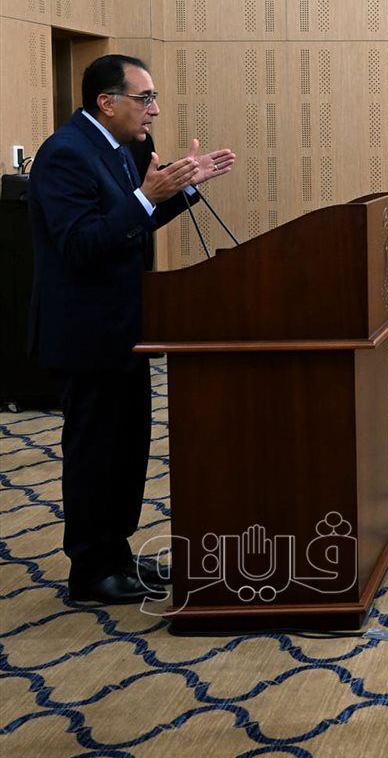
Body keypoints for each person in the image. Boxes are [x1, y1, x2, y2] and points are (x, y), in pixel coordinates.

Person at [29, 54, 235, 604]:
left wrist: (180, 189)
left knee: (126, 450)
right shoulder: (66, 154)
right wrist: (148, 196)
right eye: (145, 99)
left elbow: (129, 224)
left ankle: (115, 553)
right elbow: (82, 242)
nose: (154, 110)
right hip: (86, 334)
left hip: (125, 328)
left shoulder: (118, 149)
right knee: (96, 453)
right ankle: (91, 569)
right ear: (107, 102)